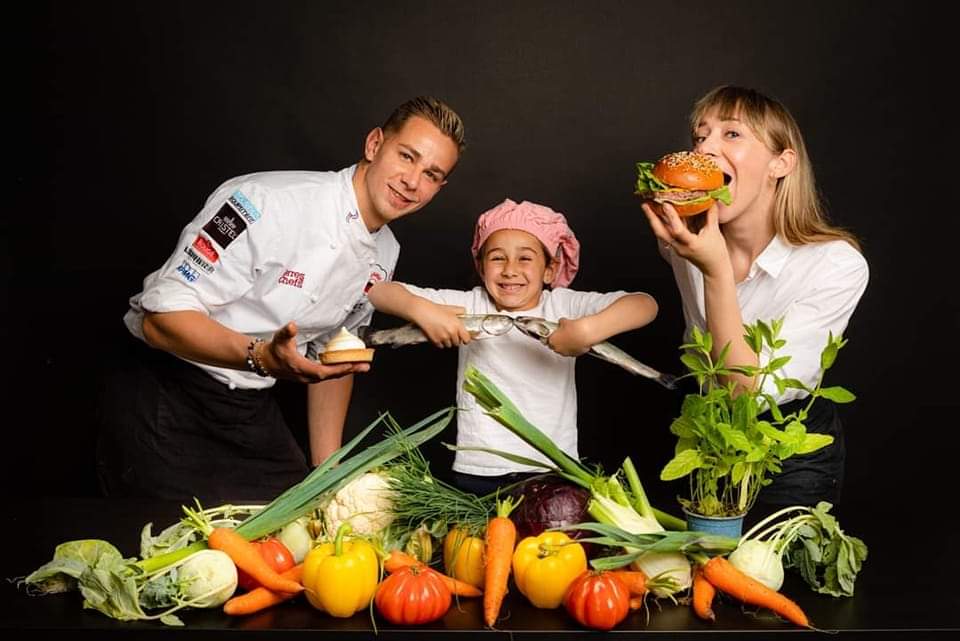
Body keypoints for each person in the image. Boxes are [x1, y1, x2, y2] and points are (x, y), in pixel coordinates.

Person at [96, 96, 465, 503]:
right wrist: (260, 355)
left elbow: (335, 356)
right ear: (375, 144)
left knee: (302, 527)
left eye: (431, 174)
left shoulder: (385, 252)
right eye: (406, 156)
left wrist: (329, 474)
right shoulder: (263, 200)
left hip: (247, 405)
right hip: (166, 392)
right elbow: (159, 319)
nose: (412, 181)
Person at [640, 85, 869, 513]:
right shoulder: (682, 243)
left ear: (781, 164)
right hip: (705, 435)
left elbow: (747, 393)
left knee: (769, 577)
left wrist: (715, 271)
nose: (706, 148)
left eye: (731, 134)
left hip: (791, 452)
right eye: (700, 135)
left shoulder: (836, 266)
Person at [368, 199, 658, 495]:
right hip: (478, 470)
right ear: (480, 267)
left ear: (549, 269)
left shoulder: (563, 305)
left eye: (525, 259)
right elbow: (378, 292)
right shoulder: (470, 304)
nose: (510, 270)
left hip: (553, 469)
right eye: (497, 258)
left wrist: (588, 330)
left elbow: (645, 305)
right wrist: (421, 310)